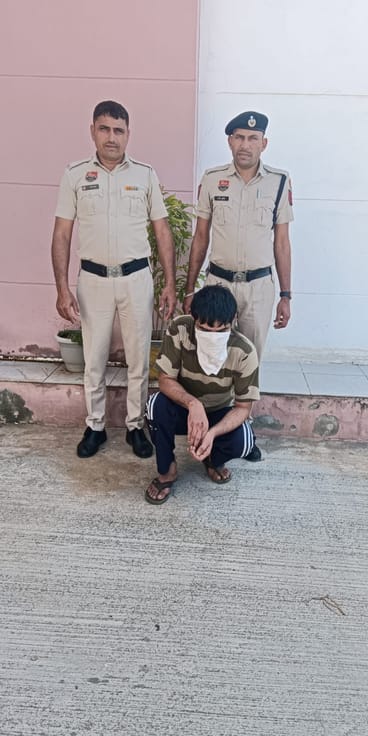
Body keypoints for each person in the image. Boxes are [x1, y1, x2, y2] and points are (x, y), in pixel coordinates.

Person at [51, 100, 176, 459]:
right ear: (92, 131)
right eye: (104, 129)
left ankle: (136, 427)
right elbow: (62, 234)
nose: (111, 137)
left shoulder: (145, 175)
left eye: (118, 130)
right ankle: (95, 426)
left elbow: (162, 230)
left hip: (137, 278)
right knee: (94, 358)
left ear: (128, 134)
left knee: (138, 357)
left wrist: (169, 283)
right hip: (93, 280)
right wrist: (61, 288)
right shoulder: (75, 175)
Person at [183, 110, 293, 462]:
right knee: (214, 358)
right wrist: (190, 289)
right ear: (230, 141)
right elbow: (200, 238)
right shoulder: (213, 180)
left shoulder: (279, 182)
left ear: (264, 143)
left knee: (250, 361)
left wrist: (286, 295)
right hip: (219, 283)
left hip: (259, 287)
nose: (245, 144)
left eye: (253, 138)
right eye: (239, 137)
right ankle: (209, 429)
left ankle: (243, 430)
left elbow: (281, 243)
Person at [144, 285, 260, 505]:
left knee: (244, 441)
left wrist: (212, 433)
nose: (212, 337)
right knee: (154, 406)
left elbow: (243, 407)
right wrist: (192, 404)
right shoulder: (180, 329)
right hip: (184, 409)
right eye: (204, 330)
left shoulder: (244, 351)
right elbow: (165, 380)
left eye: (221, 330)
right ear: (193, 318)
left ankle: (212, 459)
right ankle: (167, 470)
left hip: (219, 412)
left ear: (233, 321)